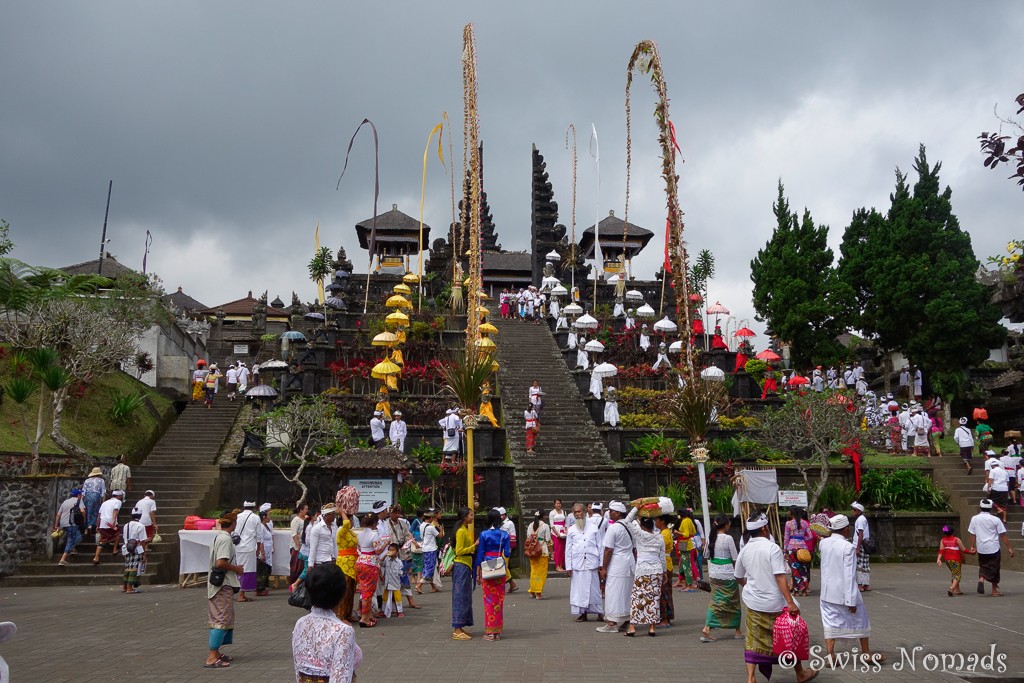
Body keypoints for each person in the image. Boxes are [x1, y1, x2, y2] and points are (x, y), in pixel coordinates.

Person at [734, 512, 817, 683]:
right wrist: (790, 601)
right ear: (764, 528)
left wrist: (749, 585)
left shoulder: (745, 550)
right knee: (789, 637)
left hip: (754, 602)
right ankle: (800, 674)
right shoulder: (772, 548)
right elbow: (780, 577)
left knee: (753, 641)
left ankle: (751, 678)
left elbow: (738, 576)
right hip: (775, 603)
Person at [819, 514, 883, 664]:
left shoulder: (823, 543)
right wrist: (850, 601)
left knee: (829, 623)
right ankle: (866, 653)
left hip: (827, 593)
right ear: (847, 529)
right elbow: (849, 575)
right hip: (844, 592)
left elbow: (824, 539)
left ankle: (830, 656)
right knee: (861, 620)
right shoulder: (848, 547)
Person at [292, 563, 362, 682]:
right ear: (342, 594)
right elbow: (340, 677)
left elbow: (298, 670)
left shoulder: (301, 623)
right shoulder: (343, 631)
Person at [205, 510, 243, 669]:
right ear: (233, 523)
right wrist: (236, 569)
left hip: (219, 584)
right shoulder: (225, 539)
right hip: (222, 585)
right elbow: (220, 563)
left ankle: (217, 652)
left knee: (223, 617)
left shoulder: (219, 536)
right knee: (220, 619)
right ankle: (212, 656)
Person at [622, 503, 665, 637]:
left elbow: (627, 520)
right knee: (654, 598)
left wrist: (636, 508)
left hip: (642, 570)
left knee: (637, 597)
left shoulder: (639, 534)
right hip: (656, 569)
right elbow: (662, 556)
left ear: (642, 526)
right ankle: (652, 627)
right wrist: (664, 572)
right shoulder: (659, 537)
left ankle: (632, 627)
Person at [702, 514, 742, 642]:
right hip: (728, 574)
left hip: (714, 574)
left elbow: (706, 555)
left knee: (716, 602)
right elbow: (735, 557)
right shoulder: (728, 538)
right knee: (733, 602)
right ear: (725, 525)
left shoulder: (711, 537)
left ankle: (708, 627)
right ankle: (737, 630)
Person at [597, 501, 635, 633]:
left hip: (617, 563)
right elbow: (635, 549)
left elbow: (608, 550)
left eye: (611, 511)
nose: (609, 513)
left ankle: (612, 622)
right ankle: (627, 620)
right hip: (629, 563)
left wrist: (604, 567)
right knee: (627, 592)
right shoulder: (631, 526)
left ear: (618, 513)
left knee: (613, 592)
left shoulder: (614, 528)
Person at [475, 508, 511, 641]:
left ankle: (490, 631)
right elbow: (507, 553)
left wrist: (478, 573)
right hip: (500, 569)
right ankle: (497, 631)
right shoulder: (504, 535)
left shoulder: (484, 535)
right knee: (499, 601)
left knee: (488, 601)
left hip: (487, 568)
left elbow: (480, 555)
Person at [968, 498, 1015, 596]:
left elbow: (973, 534)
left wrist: (972, 546)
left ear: (981, 507)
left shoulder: (974, 518)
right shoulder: (995, 520)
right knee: (995, 568)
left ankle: (981, 578)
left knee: (983, 564)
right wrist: (1009, 547)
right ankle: (994, 590)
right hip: (993, 547)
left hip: (981, 547)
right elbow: (1002, 535)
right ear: (990, 509)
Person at [565, 502, 603, 622]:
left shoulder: (593, 527)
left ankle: (599, 613)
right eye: (575, 512)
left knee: (594, 589)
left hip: (592, 563)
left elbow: (600, 546)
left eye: (579, 511)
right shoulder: (571, 530)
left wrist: (601, 564)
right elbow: (568, 549)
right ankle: (583, 613)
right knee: (579, 590)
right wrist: (568, 566)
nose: (577, 514)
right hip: (578, 564)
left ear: (585, 512)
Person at [384, 504, 420, 609]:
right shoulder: (385, 524)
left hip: (402, 553)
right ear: (390, 513)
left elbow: (407, 535)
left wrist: (409, 543)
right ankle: (393, 604)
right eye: (395, 513)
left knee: (404, 578)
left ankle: (410, 600)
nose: (397, 515)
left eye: (398, 513)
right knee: (392, 579)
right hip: (391, 555)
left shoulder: (402, 524)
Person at [355, 513, 387, 628]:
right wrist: (386, 543)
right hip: (371, 563)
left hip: (361, 561)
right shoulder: (374, 535)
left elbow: (358, 547)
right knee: (368, 592)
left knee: (365, 589)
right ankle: (364, 618)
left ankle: (368, 615)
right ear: (374, 523)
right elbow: (378, 551)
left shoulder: (359, 534)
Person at [451, 507, 477, 641]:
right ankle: (457, 629)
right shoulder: (461, 531)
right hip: (461, 565)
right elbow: (459, 551)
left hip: (466, 565)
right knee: (460, 596)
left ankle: (461, 626)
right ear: (464, 517)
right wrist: (474, 546)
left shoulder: (464, 530)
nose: (473, 517)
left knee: (465, 596)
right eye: (471, 515)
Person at [234, 501, 262, 602]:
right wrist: (258, 548)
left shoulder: (237, 516)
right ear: (253, 507)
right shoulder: (255, 517)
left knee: (238, 568)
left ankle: (237, 590)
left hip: (238, 546)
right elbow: (259, 535)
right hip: (250, 546)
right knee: (247, 570)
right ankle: (241, 594)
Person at [334, 509, 359, 623]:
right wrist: (342, 513)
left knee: (351, 591)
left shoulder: (350, 532)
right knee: (345, 591)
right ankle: (341, 616)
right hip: (344, 563)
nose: (352, 522)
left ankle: (348, 613)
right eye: (351, 520)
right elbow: (346, 524)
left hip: (352, 562)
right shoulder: (341, 531)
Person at [784, 506, 814, 596]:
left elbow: (786, 538)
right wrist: (801, 539)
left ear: (791, 513)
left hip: (792, 548)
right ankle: (805, 589)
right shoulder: (804, 523)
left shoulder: (788, 523)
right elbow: (810, 536)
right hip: (803, 548)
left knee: (795, 570)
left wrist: (785, 550)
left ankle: (796, 590)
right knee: (803, 569)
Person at [937, 524, 972, 597]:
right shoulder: (956, 539)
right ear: (953, 532)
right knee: (957, 574)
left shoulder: (943, 540)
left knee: (954, 573)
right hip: (955, 559)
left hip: (947, 560)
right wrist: (971, 552)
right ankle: (952, 588)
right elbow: (963, 549)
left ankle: (957, 590)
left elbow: (941, 550)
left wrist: (939, 559)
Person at [654, 514, 675, 628]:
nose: (655, 522)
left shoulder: (665, 533)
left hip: (665, 564)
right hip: (664, 563)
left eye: (657, 519)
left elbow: (659, 547)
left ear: (662, 521)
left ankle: (666, 618)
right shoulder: (663, 532)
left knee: (664, 593)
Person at [92, 490, 124, 565]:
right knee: (115, 535)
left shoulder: (105, 502)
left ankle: (97, 557)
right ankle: (114, 550)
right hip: (110, 522)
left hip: (102, 523)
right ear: (119, 496)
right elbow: (115, 511)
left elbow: (99, 514)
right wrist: (113, 522)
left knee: (106, 537)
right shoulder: (118, 502)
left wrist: (97, 525)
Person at [54, 488, 84, 566]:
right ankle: (63, 559)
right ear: (78, 495)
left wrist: (56, 525)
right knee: (75, 538)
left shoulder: (65, 502)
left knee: (71, 536)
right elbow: (83, 511)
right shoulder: (79, 501)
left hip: (63, 523)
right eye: (80, 495)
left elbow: (58, 514)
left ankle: (73, 550)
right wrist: (83, 519)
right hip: (72, 523)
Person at [525, 510, 552, 599]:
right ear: (543, 516)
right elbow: (548, 540)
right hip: (542, 551)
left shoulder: (530, 525)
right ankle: (538, 592)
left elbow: (528, 537)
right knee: (541, 573)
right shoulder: (545, 526)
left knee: (534, 572)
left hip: (532, 552)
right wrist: (552, 552)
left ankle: (532, 590)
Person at [122, 507, 147, 593]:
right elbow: (143, 540)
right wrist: (144, 553)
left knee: (127, 566)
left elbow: (124, 538)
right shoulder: (141, 526)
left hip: (127, 547)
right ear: (140, 516)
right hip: (137, 548)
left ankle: (125, 587)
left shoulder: (126, 525)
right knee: (134, 567)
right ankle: (130, 588)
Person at [417, 511, 443, 593]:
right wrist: (441, 529)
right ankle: (419, 585)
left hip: (425, 548)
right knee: (430, 568)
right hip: (431, 549)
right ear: (430, 518)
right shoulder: (430, 527)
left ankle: (433, 586)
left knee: (429, 566)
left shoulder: (422, 525)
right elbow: (440, 536)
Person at [674, 509, 699, 590]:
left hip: (684, 543)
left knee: (686, 565)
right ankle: (685, 584)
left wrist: (677, 533)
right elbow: (694, 532)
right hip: (686, 543)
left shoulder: (684, 521)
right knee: (682, 564)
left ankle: (689, 585)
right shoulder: (690, 520)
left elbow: (686, 534)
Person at [850, 502, 871, 591]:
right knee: (865, 564)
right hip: (864, 544)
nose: (852, 511)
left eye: (854, 510)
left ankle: (860, 584)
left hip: (860, 544)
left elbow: (860, 534)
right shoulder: (862, 519)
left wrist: (858, 547)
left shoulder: (860, 520)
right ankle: (865, 584)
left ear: (859, 511)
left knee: (859, 564)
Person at [498, 508, 519, 592]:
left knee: (503, 566)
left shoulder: (509, 523)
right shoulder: (498, 524)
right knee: (503, 566)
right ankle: (511, 584)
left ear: (504, 515)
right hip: (499, 547)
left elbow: (513, 536)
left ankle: (509, 584)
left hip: (506, 547)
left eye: (501, 515)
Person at [381, 544, 405, 618]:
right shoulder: (386, 560)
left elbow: (402, 572)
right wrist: (385, 555)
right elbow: (381, 563)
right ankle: (383, 610)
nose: (391, 551)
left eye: (393, 550)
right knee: (385, 597)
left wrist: (401, 572)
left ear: (397, 552)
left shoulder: (399, 562)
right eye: (390, 550)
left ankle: (399, 611)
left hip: (395, 583)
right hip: (387, 583)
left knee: (398, 597)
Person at [256, 504, 274, 597]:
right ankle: (259, 588)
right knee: (262, 570)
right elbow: (261, 541)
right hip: (264, 550)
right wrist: (262, 553)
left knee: (267, 569)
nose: (269, 516)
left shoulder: (266, 525)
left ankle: (264, 586)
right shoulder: (261, 527)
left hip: (268, 549)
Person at [81, 467, 106, 534]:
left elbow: (83, 491)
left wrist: (81, 501)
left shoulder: (87, 480)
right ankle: (91, 525)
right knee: (95, 511)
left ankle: (87, 526)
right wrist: (103, 502)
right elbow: (103, 492)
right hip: (96, 496)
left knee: (87, 511)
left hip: (87, 496)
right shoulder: (101, 480)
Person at [289, 503, 309, 585]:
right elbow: (294, 534)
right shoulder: (296, 520)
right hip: (297, 547)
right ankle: (294, 583)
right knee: (296, 566)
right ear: (301, 510)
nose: (307, 511)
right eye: (306, 509)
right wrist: (298, 546)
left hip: (304, 545)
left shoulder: (305, 519)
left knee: (302, 566)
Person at [549, 500, 567, 572]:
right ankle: (557, 565)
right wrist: (557, 533)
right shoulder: (552, 513)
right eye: (557, 503)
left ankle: (561, 565)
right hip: (555, 532)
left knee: (562, 549)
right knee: (557, 549)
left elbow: (565, 523)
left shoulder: (564, 512)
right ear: (554, 505)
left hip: (562, 531)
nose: (558, 505)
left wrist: (565, 531)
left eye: (559, 503)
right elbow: (551, 524)